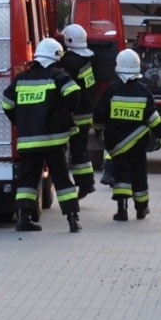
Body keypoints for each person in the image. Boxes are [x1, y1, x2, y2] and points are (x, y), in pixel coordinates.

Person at [1, 38, 83, 233]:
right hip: (54, 140)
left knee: (27, 180)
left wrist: (20, 121)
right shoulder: (58, 76)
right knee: (62, 178)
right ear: (56, 56)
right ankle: (72, 219)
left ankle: (23, 219)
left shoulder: (21, 79)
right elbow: (74, 95)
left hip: (28, 141)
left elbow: (6, 103)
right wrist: (64, 112)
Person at [93, 49, 161, 221]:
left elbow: (99, 115)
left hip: (116, 143)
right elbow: (154, 119)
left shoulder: (111, 90)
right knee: (139, 174)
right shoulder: (144, 91)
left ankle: (122, 210)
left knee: (121, 174)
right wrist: (159, 137)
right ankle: (141, 209)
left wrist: (98, 130)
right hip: (139, 143)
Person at [57, 24, 97, 199]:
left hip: (75, 113)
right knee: (80, 148)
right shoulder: (85, 59)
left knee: (75, 149)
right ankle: (86, 183)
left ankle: (85, 184)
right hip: (87, 111)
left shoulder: (68, 62)